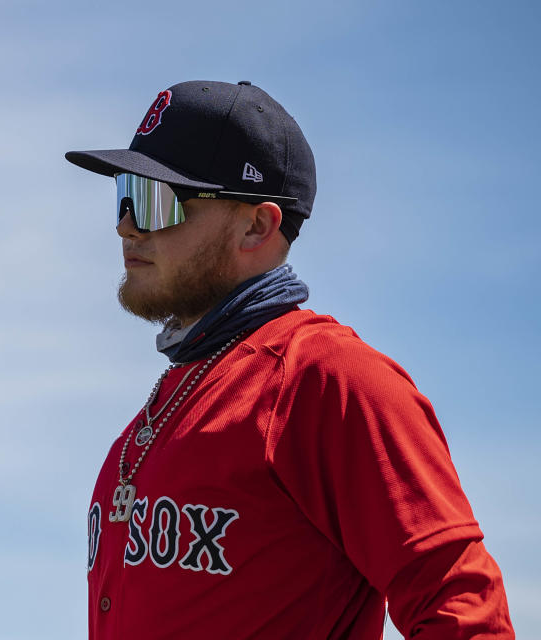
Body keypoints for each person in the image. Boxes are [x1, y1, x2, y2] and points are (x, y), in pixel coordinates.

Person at [65, 81, 514, 639]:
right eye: (125, 195)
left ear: (257, 225)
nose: (126, 225)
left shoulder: (329, 380)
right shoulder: (165, 410)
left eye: (158, 202)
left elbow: (465, 615)